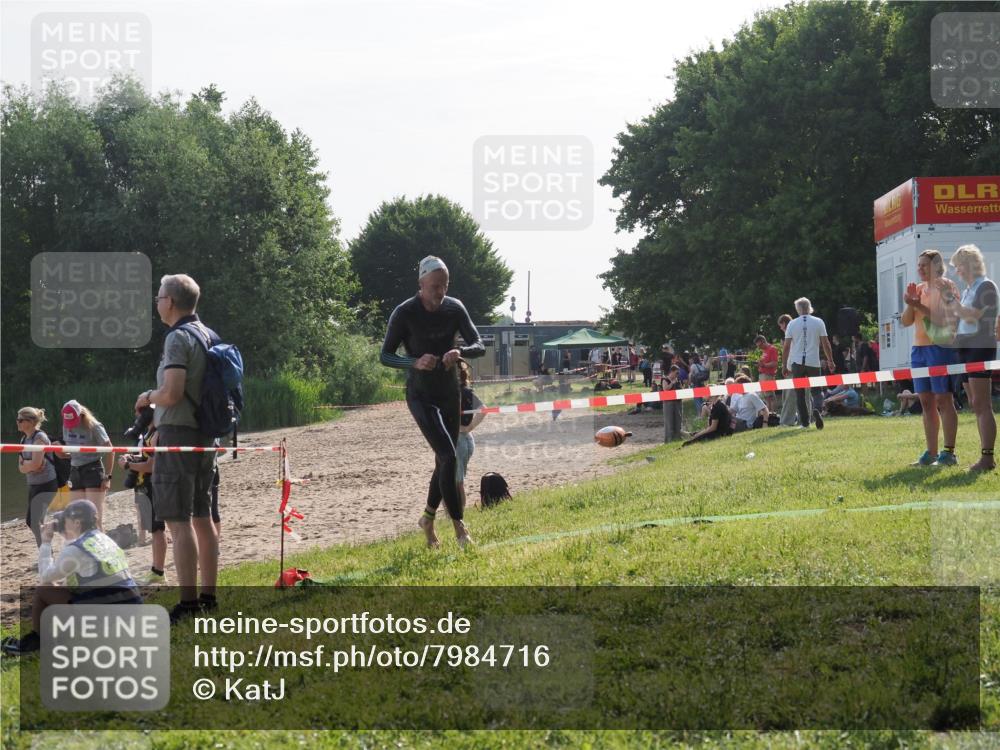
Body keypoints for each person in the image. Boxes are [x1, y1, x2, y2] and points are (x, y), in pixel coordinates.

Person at [381, 256, 484, 549]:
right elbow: (385, 355)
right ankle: (460, 528)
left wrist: (460, 351)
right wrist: (413, 362)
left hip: (449, 392)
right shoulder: (404, 313)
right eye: (435, 286)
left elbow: (479, 344)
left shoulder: (455, 307)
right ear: (421, 285)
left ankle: (427, 520)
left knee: (443, 460)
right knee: (450, 456)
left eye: (445, 285)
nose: (441, 292)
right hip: (421, 396)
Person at [135, 273, 220, 622]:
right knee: (203, 516)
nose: (156, 303)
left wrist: (147, 397)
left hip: (179, 435)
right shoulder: (209, 335)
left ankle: (187, 604)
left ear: (169, 301)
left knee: (177, 520)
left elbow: (171, 393)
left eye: (158, 297)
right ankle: (209, 597)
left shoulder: (177, 339)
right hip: (206, 437)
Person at [1, 500, 141, 656]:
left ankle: (35, 643)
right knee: (69, 587)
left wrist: (46, 542)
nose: (62, 523)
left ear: (76, 523)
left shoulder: (76, 549)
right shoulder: (104, 539)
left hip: (109, 621)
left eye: (65, 520)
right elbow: (74, 576)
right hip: (132, 615)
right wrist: (66, 535)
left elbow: (45, 575)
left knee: (44, 589)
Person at [900, 249, 961, 466]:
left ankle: (949, 453)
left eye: (924, 265)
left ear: (936, 266)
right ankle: (931, 453)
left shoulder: (947, 287)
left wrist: (917, 305)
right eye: (919, 265)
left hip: (940, 348)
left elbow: (945, 320)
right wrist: (910, 303)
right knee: (926, 401)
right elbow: (906, 322)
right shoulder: (918, 288)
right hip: (919, 350)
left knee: (943, 399)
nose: (920, 268)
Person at [949, 244, 998, 472]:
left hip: (980, 347)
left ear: (968, 265)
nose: (956, 271)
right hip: (965, 349)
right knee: (974, 404)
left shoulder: (986, 286)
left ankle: (987, 458)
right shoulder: (969, 289)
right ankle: (985, 456)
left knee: (982, 404)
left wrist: (953, 304)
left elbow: (973, 316)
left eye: (958, 266)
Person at [118, 409, 168, 585]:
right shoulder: (148, 432)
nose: (137, 415)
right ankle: (156, 570)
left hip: (153, 486)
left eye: (140, 411)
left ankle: (158, 571)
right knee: (154, 530)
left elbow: (153, 465)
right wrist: (132, 458)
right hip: (144, 486)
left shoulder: (157, 433)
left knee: (157, 529)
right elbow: (146, 457)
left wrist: (128, 465)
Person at [58, 400, 114, 530]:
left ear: (81, 414)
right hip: (74, 470)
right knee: (78, 518)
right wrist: (61, 453)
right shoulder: (66, 425)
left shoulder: (94, 426)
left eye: (73, 421)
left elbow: (111, 450)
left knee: (94, 518)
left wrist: (107, 477)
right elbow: (71, 453)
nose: (70, 425)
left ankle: (102, 549)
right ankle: (83, 549)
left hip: (92, 469)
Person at [782, 298, 835, 430]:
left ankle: (805, 423)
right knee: (817, 391)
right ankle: (817, 409)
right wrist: (830, 361)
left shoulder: (792, 324)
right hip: (813, 361)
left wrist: (783, 365)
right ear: (810, 307)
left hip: (797, 363)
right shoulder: (818, 322)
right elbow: (826, 343)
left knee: (799, 394)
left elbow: (786, 347)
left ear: (798, 309)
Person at [17, 407, 59, 547]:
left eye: (20, 420)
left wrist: (29, 465)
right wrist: (30, 465)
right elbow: (21, 467)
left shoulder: (40, 437)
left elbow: (35, 465)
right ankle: (45, 549)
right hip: (33, 484)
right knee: (34, 521)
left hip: (47, 483)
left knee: (33, 521)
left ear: (30, 422)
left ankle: (46, 551)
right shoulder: (24, 439)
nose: (17, 422)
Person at [457, 361, 486, 509]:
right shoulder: (467, 391)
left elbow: (483, 409)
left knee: (457, 482)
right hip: (468, 440)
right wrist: (470, 427)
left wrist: (468, 427)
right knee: (458, 480)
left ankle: (457, 516)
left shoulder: (454, 392)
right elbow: (483, 409)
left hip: (458, 441)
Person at [754, 335, 779, 411]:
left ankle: (772, 414)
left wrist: (763, 365)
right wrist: (760, 364)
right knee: (766, 397)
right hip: (763, 375)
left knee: (770, 396)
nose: (759, 348)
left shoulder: (772, 349)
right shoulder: (765, 350)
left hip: (768, 375)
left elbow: (775, 363)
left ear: (763, 342)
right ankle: (769, 414)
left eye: (759, 345)